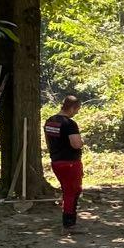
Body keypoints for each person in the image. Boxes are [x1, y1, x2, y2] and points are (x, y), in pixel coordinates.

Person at [43, 95, 85, 229]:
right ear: (72, 108)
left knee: (67, 190)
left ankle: (68, 218)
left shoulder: (50, 121)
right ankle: (69, 222)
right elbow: (76, 144)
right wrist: (82, 142)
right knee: (72, 191)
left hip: (56, 161)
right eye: (77, 109)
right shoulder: (69, 124)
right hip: (70, 162)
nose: (77, 112)